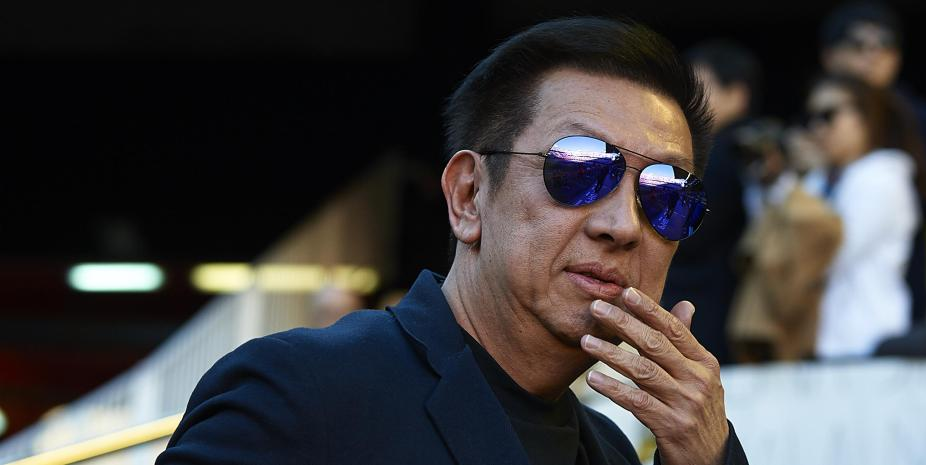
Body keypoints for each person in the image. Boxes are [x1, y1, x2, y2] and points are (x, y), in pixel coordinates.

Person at [157, 18, 748, 465]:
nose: (622, 225)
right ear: (468, 195)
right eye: (580, 168)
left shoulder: (612, 450)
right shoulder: (300, 392)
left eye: (667, 194)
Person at [819, 1, 926, 322]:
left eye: (885, 46)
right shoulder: (819, 114)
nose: (872, 55)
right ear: (830, 56)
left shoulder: (918, 119)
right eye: (858, 44)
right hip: (822, 290)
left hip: (905, 275)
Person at [802, 74, 926, 358]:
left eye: (828, 115)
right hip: (822, 342)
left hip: (867, 339)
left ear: (865, 118)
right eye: (810, 118)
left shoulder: (882, 177)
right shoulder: (821, 179)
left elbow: (831, 252)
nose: (817, 128)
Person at [662, 40, 761, 365]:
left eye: (698, 90)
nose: (685, 102)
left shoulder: (735, 148)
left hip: (714, 299)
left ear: (737, 94)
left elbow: (693, 230)